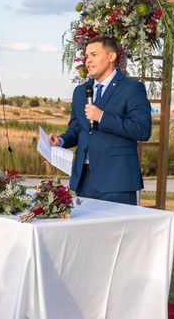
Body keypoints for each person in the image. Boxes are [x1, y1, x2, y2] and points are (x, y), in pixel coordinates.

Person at [50, 35, 151, 205]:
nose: (87, 61)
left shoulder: (132, 89)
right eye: (86, 56)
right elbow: (76, 129)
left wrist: (102, 117)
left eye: (94, 55)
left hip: (117, 181)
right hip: (84, 181)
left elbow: (142, 129)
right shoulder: (81, 92)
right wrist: (60, 140)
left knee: (118, 232)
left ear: (111, 57)